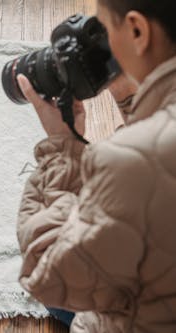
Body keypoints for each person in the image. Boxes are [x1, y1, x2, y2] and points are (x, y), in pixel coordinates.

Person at [15, 0, 176, 332]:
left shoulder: (125, 163)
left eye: (104, 29)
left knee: (56, 298)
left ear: (137, 31)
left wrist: (62, 147)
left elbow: (46, 269)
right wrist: (129, 95)